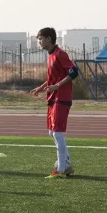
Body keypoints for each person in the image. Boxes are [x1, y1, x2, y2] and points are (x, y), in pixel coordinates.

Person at [29, 28, 77, 178]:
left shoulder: (60, 54)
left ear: (49, 39)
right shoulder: (51, 55)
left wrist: (58, 86)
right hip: (53, 98)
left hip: (61, 98)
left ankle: (61, 169)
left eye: (41, 38)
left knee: (57, 132)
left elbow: (74, 72)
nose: (39, 42)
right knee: (52, 132)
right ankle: (66, 163)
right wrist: (41, 87)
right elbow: (53, 78)